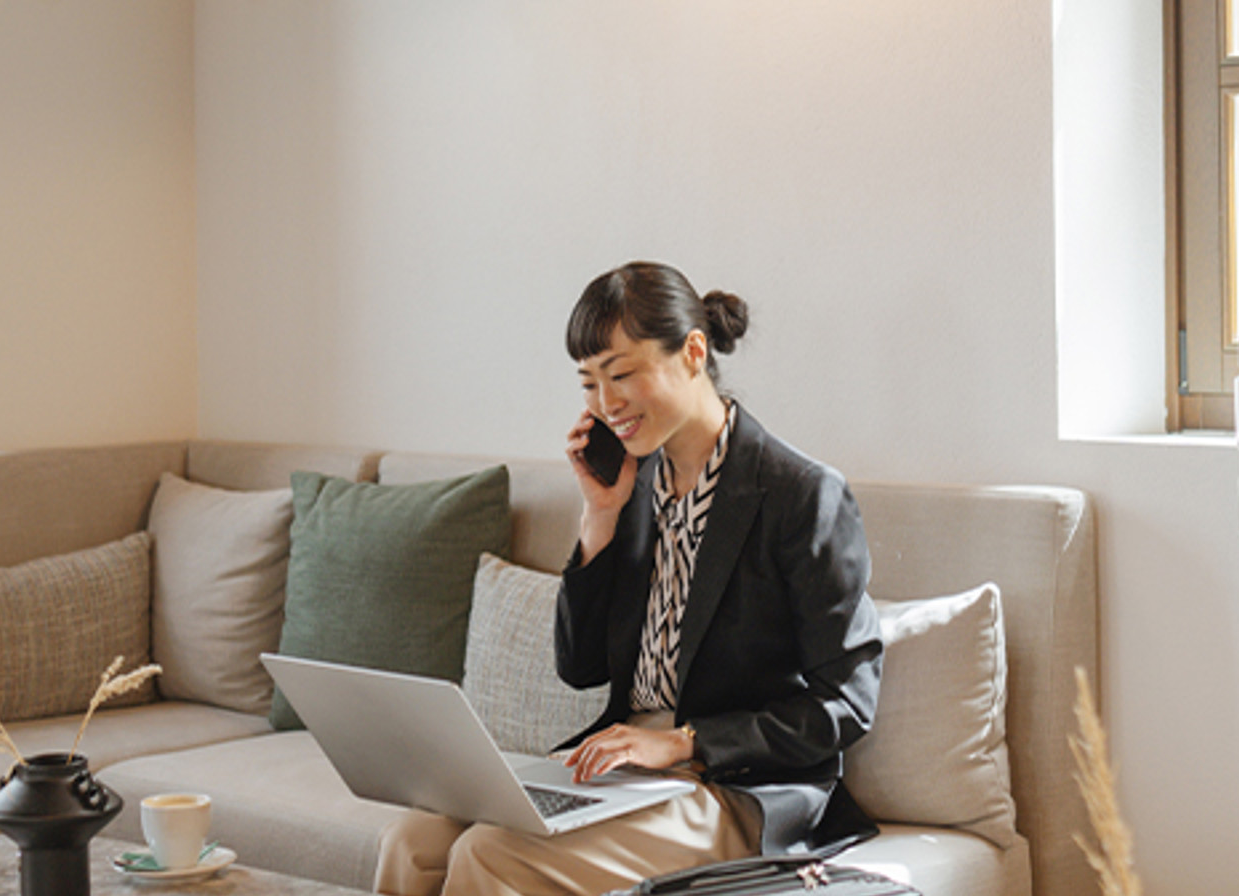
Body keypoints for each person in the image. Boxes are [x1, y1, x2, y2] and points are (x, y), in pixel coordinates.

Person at [374, 262, 882, 896]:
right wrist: (599, 517)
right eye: (589, 383)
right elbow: (580, 665)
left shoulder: (801, 495)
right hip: (624, 772)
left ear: (693, 352)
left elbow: (847, 702)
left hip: (735, 788)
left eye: (621, 375)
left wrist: (682, 743)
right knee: (412, 842)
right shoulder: (633, 483)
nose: (605, 404)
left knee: (492, 854)